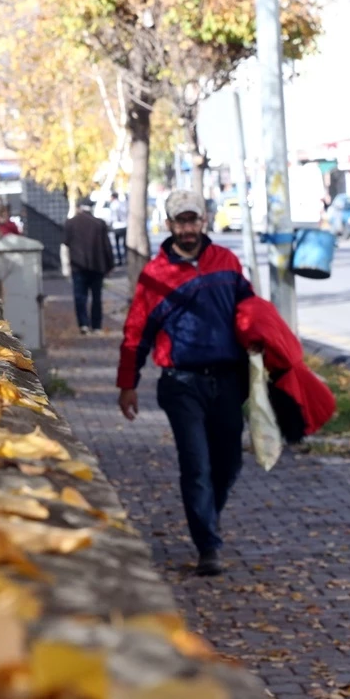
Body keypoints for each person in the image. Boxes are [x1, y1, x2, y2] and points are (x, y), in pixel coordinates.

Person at [116, 190, 254, 576]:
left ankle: (208, 515)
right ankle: (207, 544)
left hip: (227, 381)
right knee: (196, 464)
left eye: (193, 220)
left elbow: (250, 312)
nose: (188, 228)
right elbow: (135, 333)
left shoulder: (226, 262)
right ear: (169, 224)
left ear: (204, 221)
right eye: (181, 221)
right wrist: (128, 383)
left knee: (228, 463)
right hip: (181, 384)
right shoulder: (156, 275)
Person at [63, 208, 115, 335]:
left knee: (80, 296)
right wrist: (110, 265)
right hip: (97, 265)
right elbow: (107, 246)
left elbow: (65, 245)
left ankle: (84, 324)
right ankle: (96, 325)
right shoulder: (99, 224)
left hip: (78, 265)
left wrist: (66, 266)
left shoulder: (70, 223)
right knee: (97, 297)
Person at [109, 192, 128, 265]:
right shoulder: (122, 204)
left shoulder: (113, 205)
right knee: (124, 244)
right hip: (124, 225)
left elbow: (112, 217)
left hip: (116, 226)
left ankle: (120, 259)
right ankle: (126, 258)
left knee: (117, 244)